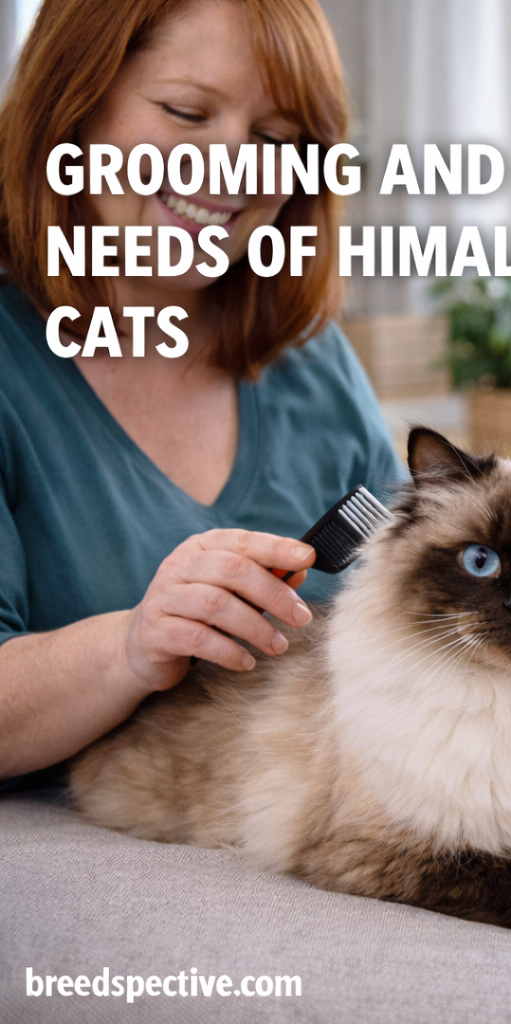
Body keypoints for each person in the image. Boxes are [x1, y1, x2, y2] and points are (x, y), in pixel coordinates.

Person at [0, 0, 402, 783]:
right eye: (187, 112)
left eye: (276, 140)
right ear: (72, 104)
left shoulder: (312, 364)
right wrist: (133, 647)